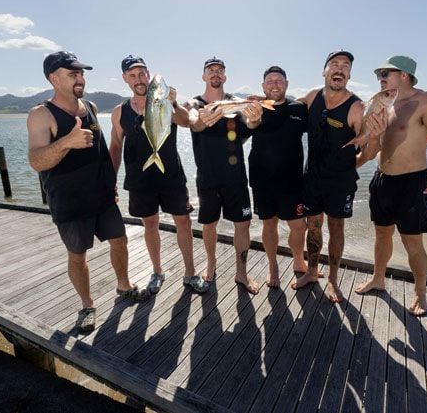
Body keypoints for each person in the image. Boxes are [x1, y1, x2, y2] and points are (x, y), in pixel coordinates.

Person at [27, 51, 145, 335]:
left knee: (120, 241)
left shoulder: (89, 106)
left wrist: (110, 184)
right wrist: (66, 141)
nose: (80, 79)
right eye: (73, 74)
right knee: (78, 255)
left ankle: (124, 285)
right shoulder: (41, 114)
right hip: (69, 202)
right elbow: (36, 161)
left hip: (102, 197)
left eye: (81, 73)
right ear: (54, 78)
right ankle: (87, 305)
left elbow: (103, 153)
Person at [355, 55, 427, 316]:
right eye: (379, 76)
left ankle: (420, 293)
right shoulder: (382, 105)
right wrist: (350, 165)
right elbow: (373, 148)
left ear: (404, 74)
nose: (380, 79)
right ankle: (379, 278)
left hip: (412, 182)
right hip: (382, 180)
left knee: (412, 241)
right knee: (381, 234)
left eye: (385, 74)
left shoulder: (425, 101)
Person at [108, 55, 209, 295]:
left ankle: (190, 274)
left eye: (142, 74)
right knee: (149, 224)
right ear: (125, 79)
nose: (138, 79)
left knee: (183, 222)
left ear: (149, 75)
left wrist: (173, 103)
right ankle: (157, 271)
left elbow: (188, 123)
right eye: (132, 75)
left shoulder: (165, 102)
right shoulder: (119, 111)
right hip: (140, 180)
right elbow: (114, 146)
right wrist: (109, 181)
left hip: (171, 176)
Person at [292, 50, 384, 303]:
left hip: (340, 181)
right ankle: (312, 271)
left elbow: (370, 150)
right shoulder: (312, 98)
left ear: (349, 74)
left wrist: (369, 144)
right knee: (313, 225)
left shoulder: (357, 108)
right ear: (324, 71)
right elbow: (285, 111)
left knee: (336, 226)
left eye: (346, 66)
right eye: (334, 64)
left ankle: (332, 279)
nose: (340, 69)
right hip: (312, 178)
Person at [183, 57, 262, 294]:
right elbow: (193, 121)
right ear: (204, 76)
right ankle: (211, 265)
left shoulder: (235, 103)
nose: (215, 73)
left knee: (243, 224)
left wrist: (256, 118)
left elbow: (250, 121)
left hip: (235, 177)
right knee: (209, 226)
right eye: (211, 70)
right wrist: (201, 120)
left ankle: (241, 273)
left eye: (219, 70)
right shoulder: (194, 103)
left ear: (225, 76)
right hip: (207, 177)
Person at [248, 65, 313, 288]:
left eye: (279, 80)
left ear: (286, 84)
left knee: (299, 226)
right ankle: (273, 266)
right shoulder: (254, 108)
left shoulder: (299, 109)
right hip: (262, 180)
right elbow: (248, 125)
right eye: (270, 80)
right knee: (269, 225)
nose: (274, 83)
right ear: (263, 85)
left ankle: (298, 262)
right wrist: (253, 119)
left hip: (292, 181)